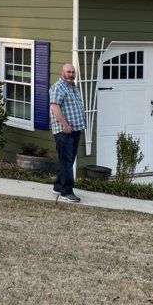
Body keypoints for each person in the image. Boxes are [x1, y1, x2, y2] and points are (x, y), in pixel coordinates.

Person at [49, 62, 85, 202]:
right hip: (64, 131)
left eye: (73, 72)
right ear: (62, 73)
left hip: (75, 129)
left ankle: (58, 186)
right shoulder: (58, 87)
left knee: (67, 160)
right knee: (66, 161)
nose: (71, 74)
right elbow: (54, 108)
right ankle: (67, 191)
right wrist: (65, 125)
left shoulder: (73, 88)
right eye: (68, 72)